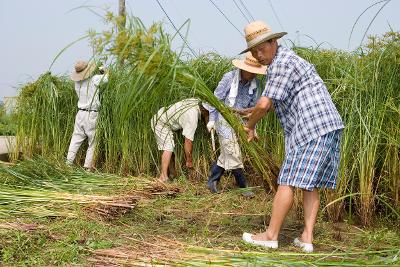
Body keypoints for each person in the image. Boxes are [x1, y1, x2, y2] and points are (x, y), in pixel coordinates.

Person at [240, 21, 344, 252]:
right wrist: (253, 112)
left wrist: (249, 125)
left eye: (262, 48)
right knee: (310, 184)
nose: (259, 55)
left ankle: (270, 235)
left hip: (311, 128)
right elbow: (275, 103)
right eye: (254, 51)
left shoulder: (281, 63)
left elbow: (265, 104)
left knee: (287, 181)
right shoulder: (288, 60)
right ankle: (307, 237)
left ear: (273, 41)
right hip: (328, 126)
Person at [205, 52, 267, 196]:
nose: (253, 75)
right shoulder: (229, 78)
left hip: (240, 119)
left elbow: (253, 109)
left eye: (255, 72)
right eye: (250, 72)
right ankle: (243, 186)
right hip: (224, 117)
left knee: (228, 152)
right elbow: (215, 100)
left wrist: (252, 127)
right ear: (243, 68)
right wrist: (212, 120)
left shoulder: (255, 84)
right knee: (233, 151)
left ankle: (212, 180)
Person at [151, 98, 208, 182]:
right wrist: (189, 160)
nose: (209, 114)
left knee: (170, 148)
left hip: (164, 117)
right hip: (160, 122)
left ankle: (172, 175)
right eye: (208, 112)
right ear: (203, 109)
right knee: (168, 147)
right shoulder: (192, 116)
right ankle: (163, 176)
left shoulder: (196, 101)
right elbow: (188, 141)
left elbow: (205, 116)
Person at [66, 60, 108, 171]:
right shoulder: (95, 79)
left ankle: (68, 164)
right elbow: (107, 78)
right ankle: (87, 168)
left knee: (75, 139)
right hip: (92, 114)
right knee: (93, 141)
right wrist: (103, 70)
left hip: (80, 113)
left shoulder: (77, 83)